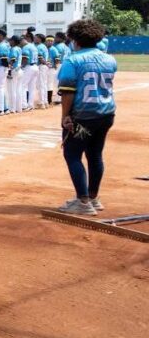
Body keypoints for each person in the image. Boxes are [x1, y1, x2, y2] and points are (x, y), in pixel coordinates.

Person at [55, 19, 117, 216]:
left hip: (83, 116)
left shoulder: (73, 60)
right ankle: (93, 197)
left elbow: (68, 92)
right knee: (95, 154)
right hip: (106, 113)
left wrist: (65, 116)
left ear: (75, 40)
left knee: (72, 155)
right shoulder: (109, 59)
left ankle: (83, 202)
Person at [7, 35, 24, 113]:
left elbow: (12, 60)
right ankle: (19, 108)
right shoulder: (19, 48)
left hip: (14, 70)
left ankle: (12, 109)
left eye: (10, 40)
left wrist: (8, 67)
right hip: (19, 70)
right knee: (18, 89)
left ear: (13, 41)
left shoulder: (13, 49)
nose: (9, 42)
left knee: (12, 90)